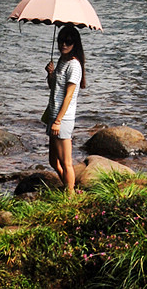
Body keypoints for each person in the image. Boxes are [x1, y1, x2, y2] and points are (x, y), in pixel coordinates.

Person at [44, 23, 86, 191]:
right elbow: (54, 88)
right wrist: (50, 74)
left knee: (66, 162)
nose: (64, 45)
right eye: (61, 41)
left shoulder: (74, 65)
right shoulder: (62, 60)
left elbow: (68, 96)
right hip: (53, 114)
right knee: (53, 161)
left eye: (68, 42)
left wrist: (58, 121)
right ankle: (70, 189)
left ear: (75, 43)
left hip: (63, 118)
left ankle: (70, 197)